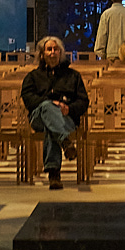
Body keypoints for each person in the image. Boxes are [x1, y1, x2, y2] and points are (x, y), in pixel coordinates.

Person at [21, 35, 90, 189]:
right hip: (38, 117)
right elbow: (28, 100)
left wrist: (69, 108)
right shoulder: (32, 77)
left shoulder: (73, 76)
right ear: (42, 54)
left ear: (61, 52)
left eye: (56, 49)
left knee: (50, 128)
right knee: (47, 107)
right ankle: (65, 142)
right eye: (49, 49)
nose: (52, 52)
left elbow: (83, 101)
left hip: (66, 119)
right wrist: (51, 103)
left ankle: (54, 174)